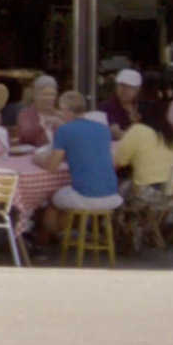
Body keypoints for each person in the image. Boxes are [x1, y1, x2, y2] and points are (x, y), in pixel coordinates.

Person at [36, 91, 123, 245]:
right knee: (67, 196)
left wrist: (37, 160)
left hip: (86, 196)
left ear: (67, 111)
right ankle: (68, 232)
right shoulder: (103, 129)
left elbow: (52, 166)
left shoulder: (65, 130)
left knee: (52, 202)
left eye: (62, 111)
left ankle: (43, 244)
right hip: (111, 193)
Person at [114, 97, 173, 230]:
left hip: (148, 193)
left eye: (134, 111)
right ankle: (149, 229)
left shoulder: (137, 130)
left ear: (140, 115)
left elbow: (119, 161)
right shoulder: (169, 132)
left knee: (117, 190)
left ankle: (123, 231)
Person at [15, 76, 63, 147]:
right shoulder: (26, 114)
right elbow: (25, 135)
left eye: (53, 94)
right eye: (45, 94)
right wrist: (42, 125)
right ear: (36, 96)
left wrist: (63, 125)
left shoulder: (58, 115)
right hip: (32, 156)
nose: (50, 98)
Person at [100, 68, 145, 139]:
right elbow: (116, 133)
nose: (124, 91)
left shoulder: (142, 107)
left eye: (129, 87)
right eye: (121, 86)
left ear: (137, 90)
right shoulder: (108, 106)